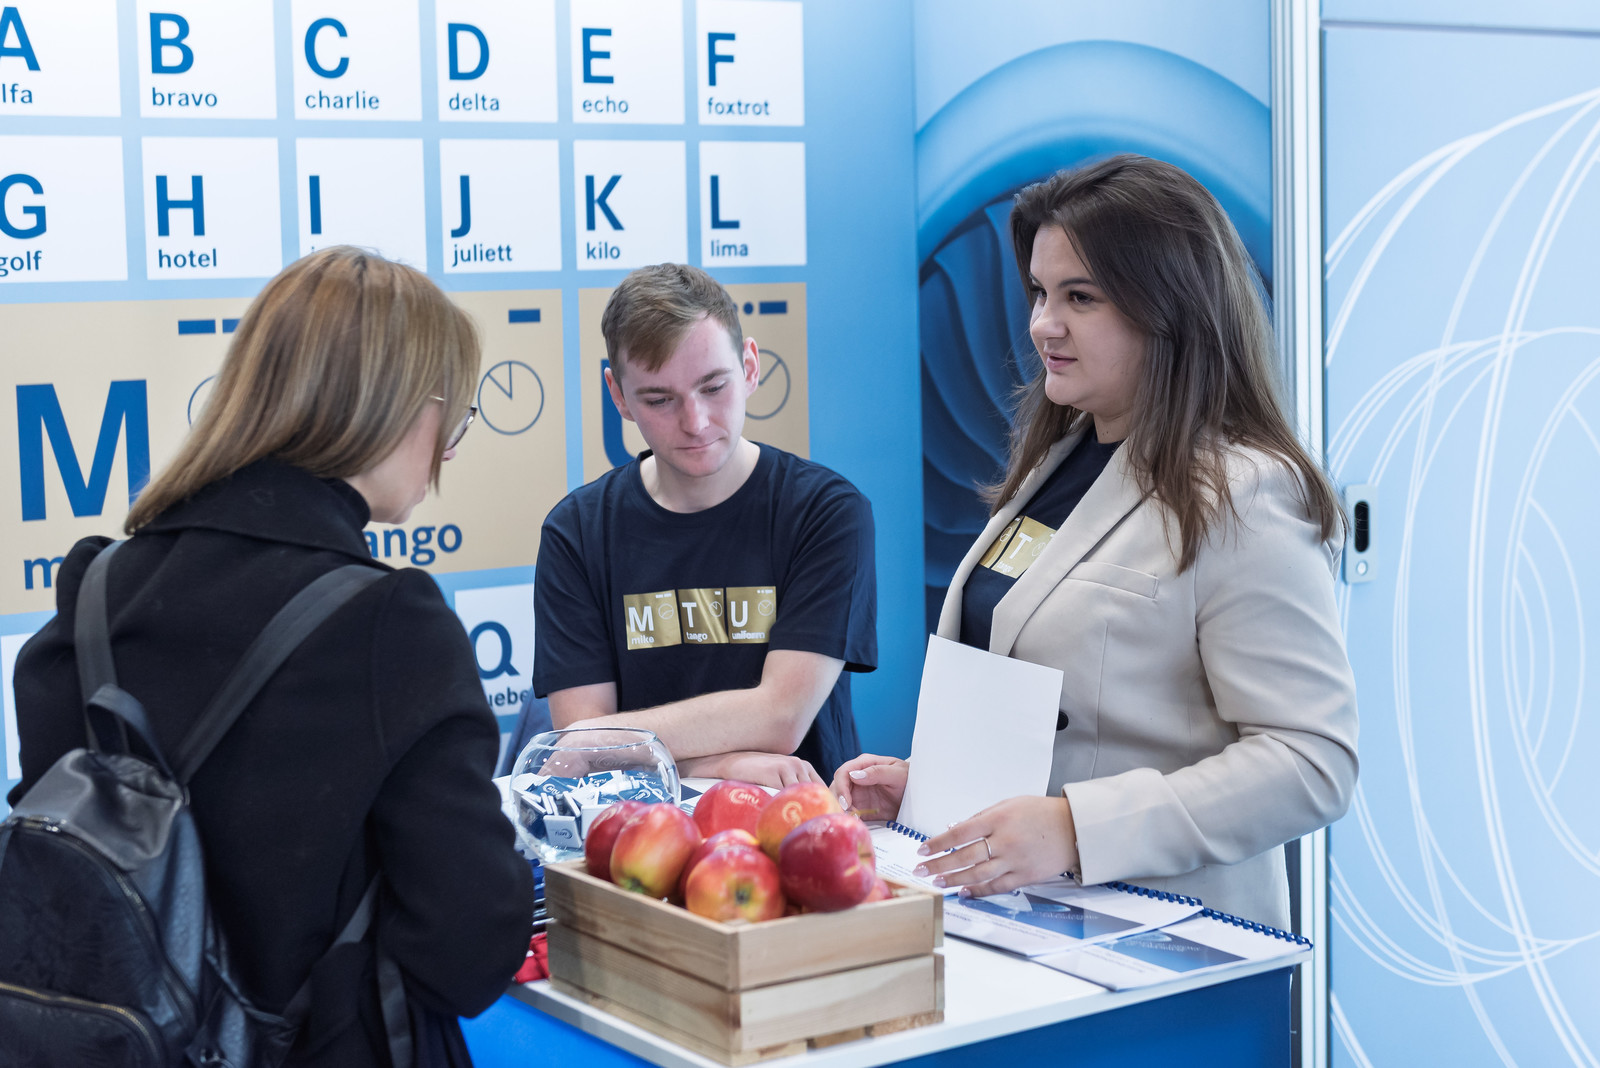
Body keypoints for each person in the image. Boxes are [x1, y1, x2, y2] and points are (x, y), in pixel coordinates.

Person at [8, 246, 535, 1066]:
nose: (451, 451)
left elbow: (61, 875)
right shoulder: (391, 625)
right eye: (456, 417)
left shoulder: (96, 589)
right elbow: (468, 948)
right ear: (395, 405)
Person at [835, 155, 1359, 929]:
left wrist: (1077, 828)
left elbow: (1313, 762)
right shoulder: (1062, 458)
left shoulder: (1247, 493)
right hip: (1027, 924)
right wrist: (927, 785)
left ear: (1171, 308)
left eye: (1080, 297)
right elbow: (1060, 711)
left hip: (1166, 940)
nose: (1043, 324)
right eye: (1040, 292)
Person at [524, 263, 877, 787]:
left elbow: (781, 717)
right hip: (636, 822)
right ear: (618, 396)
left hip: (800, 821)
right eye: (659, 399)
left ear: (750, 367)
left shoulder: (826, 511)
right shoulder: (576, 532)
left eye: (713, 387)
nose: (696, 422)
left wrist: (623, 745)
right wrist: (721, 766)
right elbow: (584, 749)